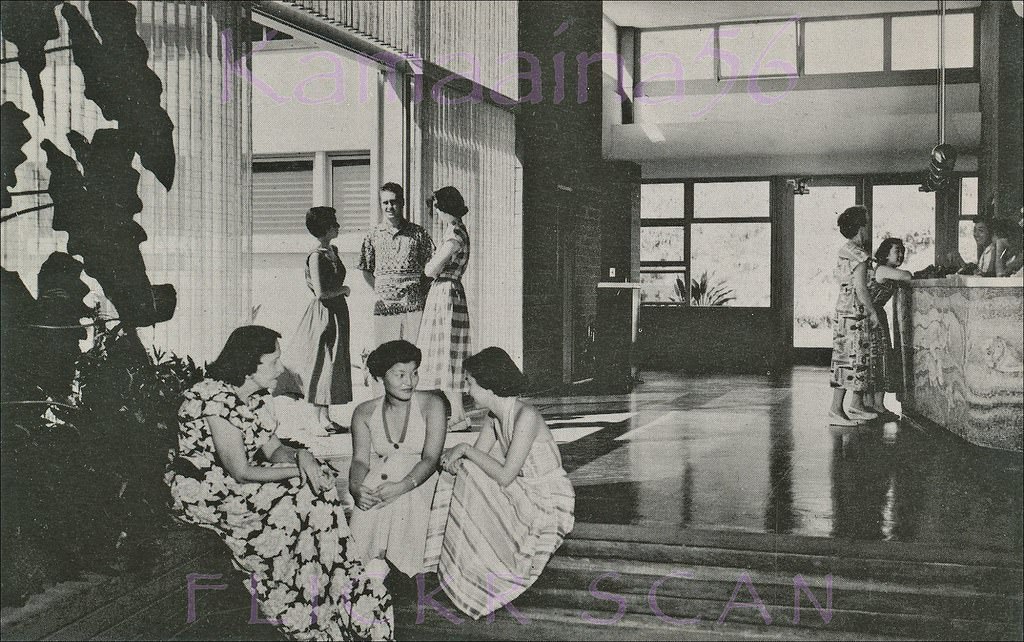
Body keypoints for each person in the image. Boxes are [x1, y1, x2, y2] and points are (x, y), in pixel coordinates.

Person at [165, 326, 393, 641]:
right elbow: (240, 470)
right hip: (205, 487)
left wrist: (304, 458)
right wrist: (298, 471)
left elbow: (273, 450)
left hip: (237, 480)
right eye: (273, 362)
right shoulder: (212, 395)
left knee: (319, 490)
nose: (280, 369)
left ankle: (340, 602)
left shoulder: (257, 397)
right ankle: (303, 614)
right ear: (248, 364)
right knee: (300, 499)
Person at [436, 347, 575, 619]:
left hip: (548, 497)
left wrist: (463, 449)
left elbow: (504, 475)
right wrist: (455, 459)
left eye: (471, 383)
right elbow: (478, 460)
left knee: (469, 466)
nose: (467, 390)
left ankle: (482, 568)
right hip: (523, 490)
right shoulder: (494, 417)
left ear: (489, 385)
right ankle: (466, 566)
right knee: (463, 471)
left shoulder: (526, 416)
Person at [348, 340, 447, 586]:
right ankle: (375, 559)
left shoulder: (432, 405)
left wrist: (403, 485)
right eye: (400, 374)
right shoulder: (363, 412)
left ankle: (386, 560)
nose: (409, 382)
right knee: (374, 489)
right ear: (382, 376)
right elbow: (360, 459)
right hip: (384, 479)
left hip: (419, 480)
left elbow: (431, 458)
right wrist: (355, 487)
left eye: (414, 373)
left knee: (397, 492)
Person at [283, 206, 352, 430]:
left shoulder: (334, 251)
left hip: (338, 312)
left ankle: (326, 417)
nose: (338, 226)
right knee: (321, 362)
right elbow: (321, 292)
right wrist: (343, 290)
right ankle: (315, 418)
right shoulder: (315, 256)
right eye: (333, 223)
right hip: (324, 313)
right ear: (324, 228)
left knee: (333, 363)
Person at [417, 187, 473, 431]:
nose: (436, 213)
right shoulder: (458, 231)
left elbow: (430, 269)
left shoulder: (454, 235)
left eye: (438, 208)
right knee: (447, 354)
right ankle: (458, 414)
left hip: (446, 293)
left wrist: (430, 263)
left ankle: (459, 415)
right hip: (449, 292)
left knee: (448, 353)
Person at [358, 183, 434, 347]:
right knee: (386, 355)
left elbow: (432, 268)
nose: (389, 207)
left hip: (413, 306)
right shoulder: (373, 235)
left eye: (393, 202)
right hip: (385, 306)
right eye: (385, 203)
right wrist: (381, 290)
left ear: (402, 203)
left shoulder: (418, 233)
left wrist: (419, 292)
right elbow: (366, 269)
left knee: (412, 353)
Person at [828, 206, 879, 426]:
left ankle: (855, 405)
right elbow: (861, 287)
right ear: (860, 227)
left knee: (855, 358)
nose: (868, 228)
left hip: (845, 310)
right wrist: (873, 311)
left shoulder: (846, 249)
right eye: (866, 223)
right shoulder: (858, 254)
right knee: (849, 359)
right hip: (854, 313)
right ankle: (836, 410)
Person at [864, 238, 912, 419]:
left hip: (874, 315)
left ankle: (872, 404)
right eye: (896, 251)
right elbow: (906, 276)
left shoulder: (887, 271)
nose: (900, 254)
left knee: (875, 358)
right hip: (873, 316)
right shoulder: (883, 269)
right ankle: (877, 406)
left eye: (902, 251)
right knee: (879, 357)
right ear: (885, 254)